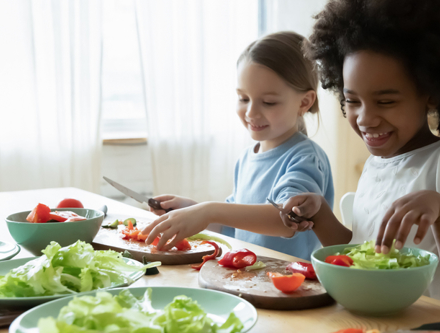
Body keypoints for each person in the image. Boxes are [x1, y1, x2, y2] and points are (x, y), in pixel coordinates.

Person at [281, 0, 440, 308]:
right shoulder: (375, 164)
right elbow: (363, 255)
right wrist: (321, 215)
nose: (365, 118)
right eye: (352, 101)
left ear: (432, 93)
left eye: (386, 101)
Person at [141, 31, 334, 261]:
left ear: (304, 102)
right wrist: (191, 211)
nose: (251, 112)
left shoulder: (306, 158)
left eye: (268, 102)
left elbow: (287, 221)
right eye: (243, 98)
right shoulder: (246, 158)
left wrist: (207, 211)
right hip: (249, 278)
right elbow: (233, 225)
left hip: (290, 286)